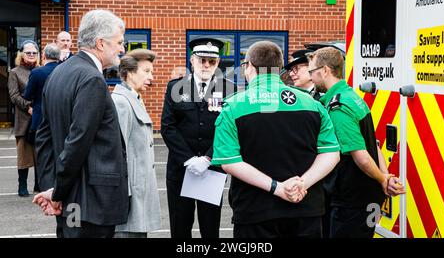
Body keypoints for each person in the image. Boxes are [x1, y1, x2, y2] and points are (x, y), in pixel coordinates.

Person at [211, 41, 341, 238]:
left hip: (255, 213)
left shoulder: (234, 107)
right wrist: (302, 183)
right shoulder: (313, 104)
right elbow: (331, 152)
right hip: (305, 209)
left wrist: (278, 188)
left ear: (249, 67)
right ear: (279, 69)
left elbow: (230, 162)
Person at [32, 9, 129, 238]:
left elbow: (43, 137)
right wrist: (56, 192)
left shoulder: (58, 73)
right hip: (90, 204)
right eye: (119, 42)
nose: (122, 49)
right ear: (100, 43)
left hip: (71, 203)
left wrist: (51, 188)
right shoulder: (92, 79)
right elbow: (77, 142)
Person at [307, 47, 405, 238]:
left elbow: (361, 156)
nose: (311, 77)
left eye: (312, 72)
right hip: (368, 198)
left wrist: (383, 179)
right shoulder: (353, 98)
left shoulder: (339, 107)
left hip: (352, 201)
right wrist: (384, 176)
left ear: (325, 70)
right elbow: (373, 145)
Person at [161, 38, 236, 238]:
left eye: (211, 61)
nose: (206, 65)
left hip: (211, 170)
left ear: (218, 64)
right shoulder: (175, 87)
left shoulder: (229, 88)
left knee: (210, 230)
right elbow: (168, 127)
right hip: (181, 170)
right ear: (192, 61)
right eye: (202, 60)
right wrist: (189, 159)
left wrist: (208, 158)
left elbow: (229, 129)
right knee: (180, 227)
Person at [112, 49, 161, 238]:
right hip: (129, 197)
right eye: (146, 71)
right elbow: (117, 153)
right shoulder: (121, 102)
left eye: (152, 71)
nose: (151, 77)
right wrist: (124, 196)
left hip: (138, 196)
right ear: (129, 73)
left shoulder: (134, 98)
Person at [7, 40, 40, 197]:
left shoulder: (41, 70)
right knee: (24, 156)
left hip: (40, 119)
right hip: (24, 119)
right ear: (21, 54)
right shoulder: (14, 72)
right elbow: (13, 95)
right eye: (28, 52)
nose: (32, 55)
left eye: (34, 52)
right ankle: (22, 185)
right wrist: (28, 107)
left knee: (41, 155)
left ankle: (39, 186)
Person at [23, 43, 61, 145]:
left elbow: (27, 96)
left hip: (41, 117)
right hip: (61, 117)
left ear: (44, 55)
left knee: (41, 151)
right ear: (59, 56)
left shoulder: (37, 72)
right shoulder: (66, 71)